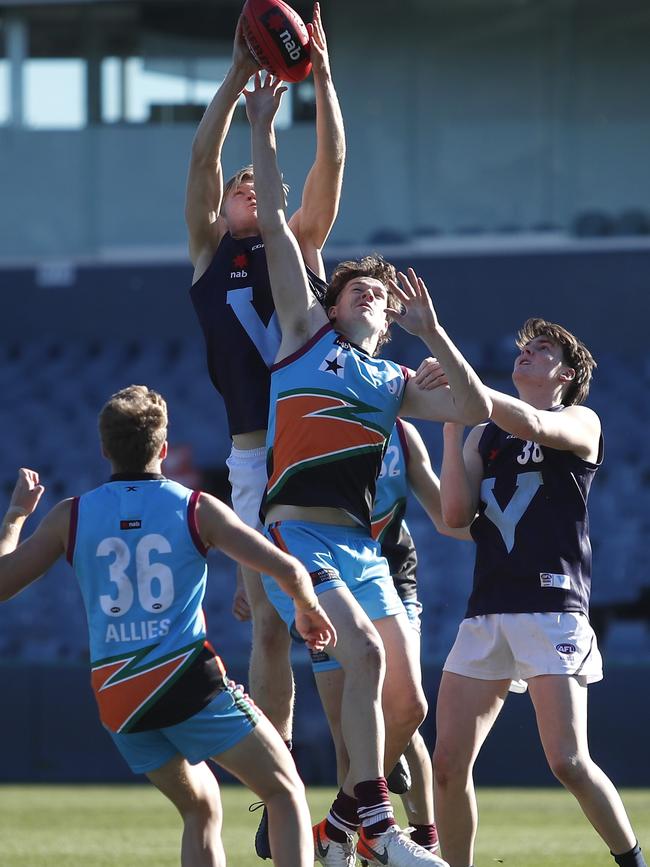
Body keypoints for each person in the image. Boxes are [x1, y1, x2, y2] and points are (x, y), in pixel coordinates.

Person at [244, 70, 491, 867]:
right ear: (332, 300)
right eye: (356, 287)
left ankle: (348, 824)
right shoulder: (303, 334)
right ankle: (378, 826)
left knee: (408, 701)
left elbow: (475, 410)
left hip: (359, 545)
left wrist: (436, 331)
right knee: (367, 654)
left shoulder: (391, 384)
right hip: (299, 534)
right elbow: (280, 223)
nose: (369, 295)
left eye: (380, 294)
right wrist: (262, 126)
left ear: (390, 316)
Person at [0, 385, 336, 867]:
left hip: (117, 696)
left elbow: (3, 586)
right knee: (285, 792)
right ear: (163, 448)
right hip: (184, 680)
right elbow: (287, 568)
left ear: (104, 450)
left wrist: (14, 517)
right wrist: (307, 607)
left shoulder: (69, 516)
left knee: (200, 807)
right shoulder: (193, 506)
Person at [185, 9, 344, 852]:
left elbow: (329, 166)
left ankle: (362, 782)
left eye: (257, 182)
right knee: (271, 623)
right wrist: (235, 77)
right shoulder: (210, 253)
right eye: (240, 186)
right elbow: (204, 160)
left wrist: (319, 82)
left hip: (318, 443)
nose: (246, 186)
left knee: (347, 620)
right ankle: (281, 783)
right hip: (254, 455)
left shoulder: (301, 245)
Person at [432, 319, 647, 867]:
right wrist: (455, 427)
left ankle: (633, 860)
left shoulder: (581, 419)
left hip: (552, 608)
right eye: (524, 348)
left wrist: (453, 366)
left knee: (568, 762)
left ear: (567, 374)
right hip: (486, 609)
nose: (527, 353)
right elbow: (454, 516)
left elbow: (530, 422)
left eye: (542, 350)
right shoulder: (484, 432)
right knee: (448, 765)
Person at [315, 416, 472, 859]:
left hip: (392, 580)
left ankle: (407, 837)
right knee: (351, 736)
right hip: (326, 578)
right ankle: (365, 839)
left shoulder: (401, 432)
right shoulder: (311, 416)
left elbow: (447, 515)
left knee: (404, 714)